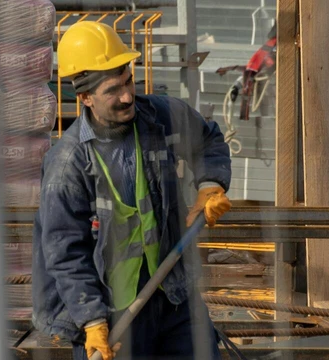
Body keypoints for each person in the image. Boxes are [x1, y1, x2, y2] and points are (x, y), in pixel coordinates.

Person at [31, 21, 233, 360]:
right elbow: (65, 253)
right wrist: (92, 321)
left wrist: (210, 186)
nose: (127, 96)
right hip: (107, 309)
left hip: (171, 292)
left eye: (129, 81)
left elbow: (208, 140)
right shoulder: (67, 166)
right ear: (85, 97)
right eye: (113, 90)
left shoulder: (159, 117)